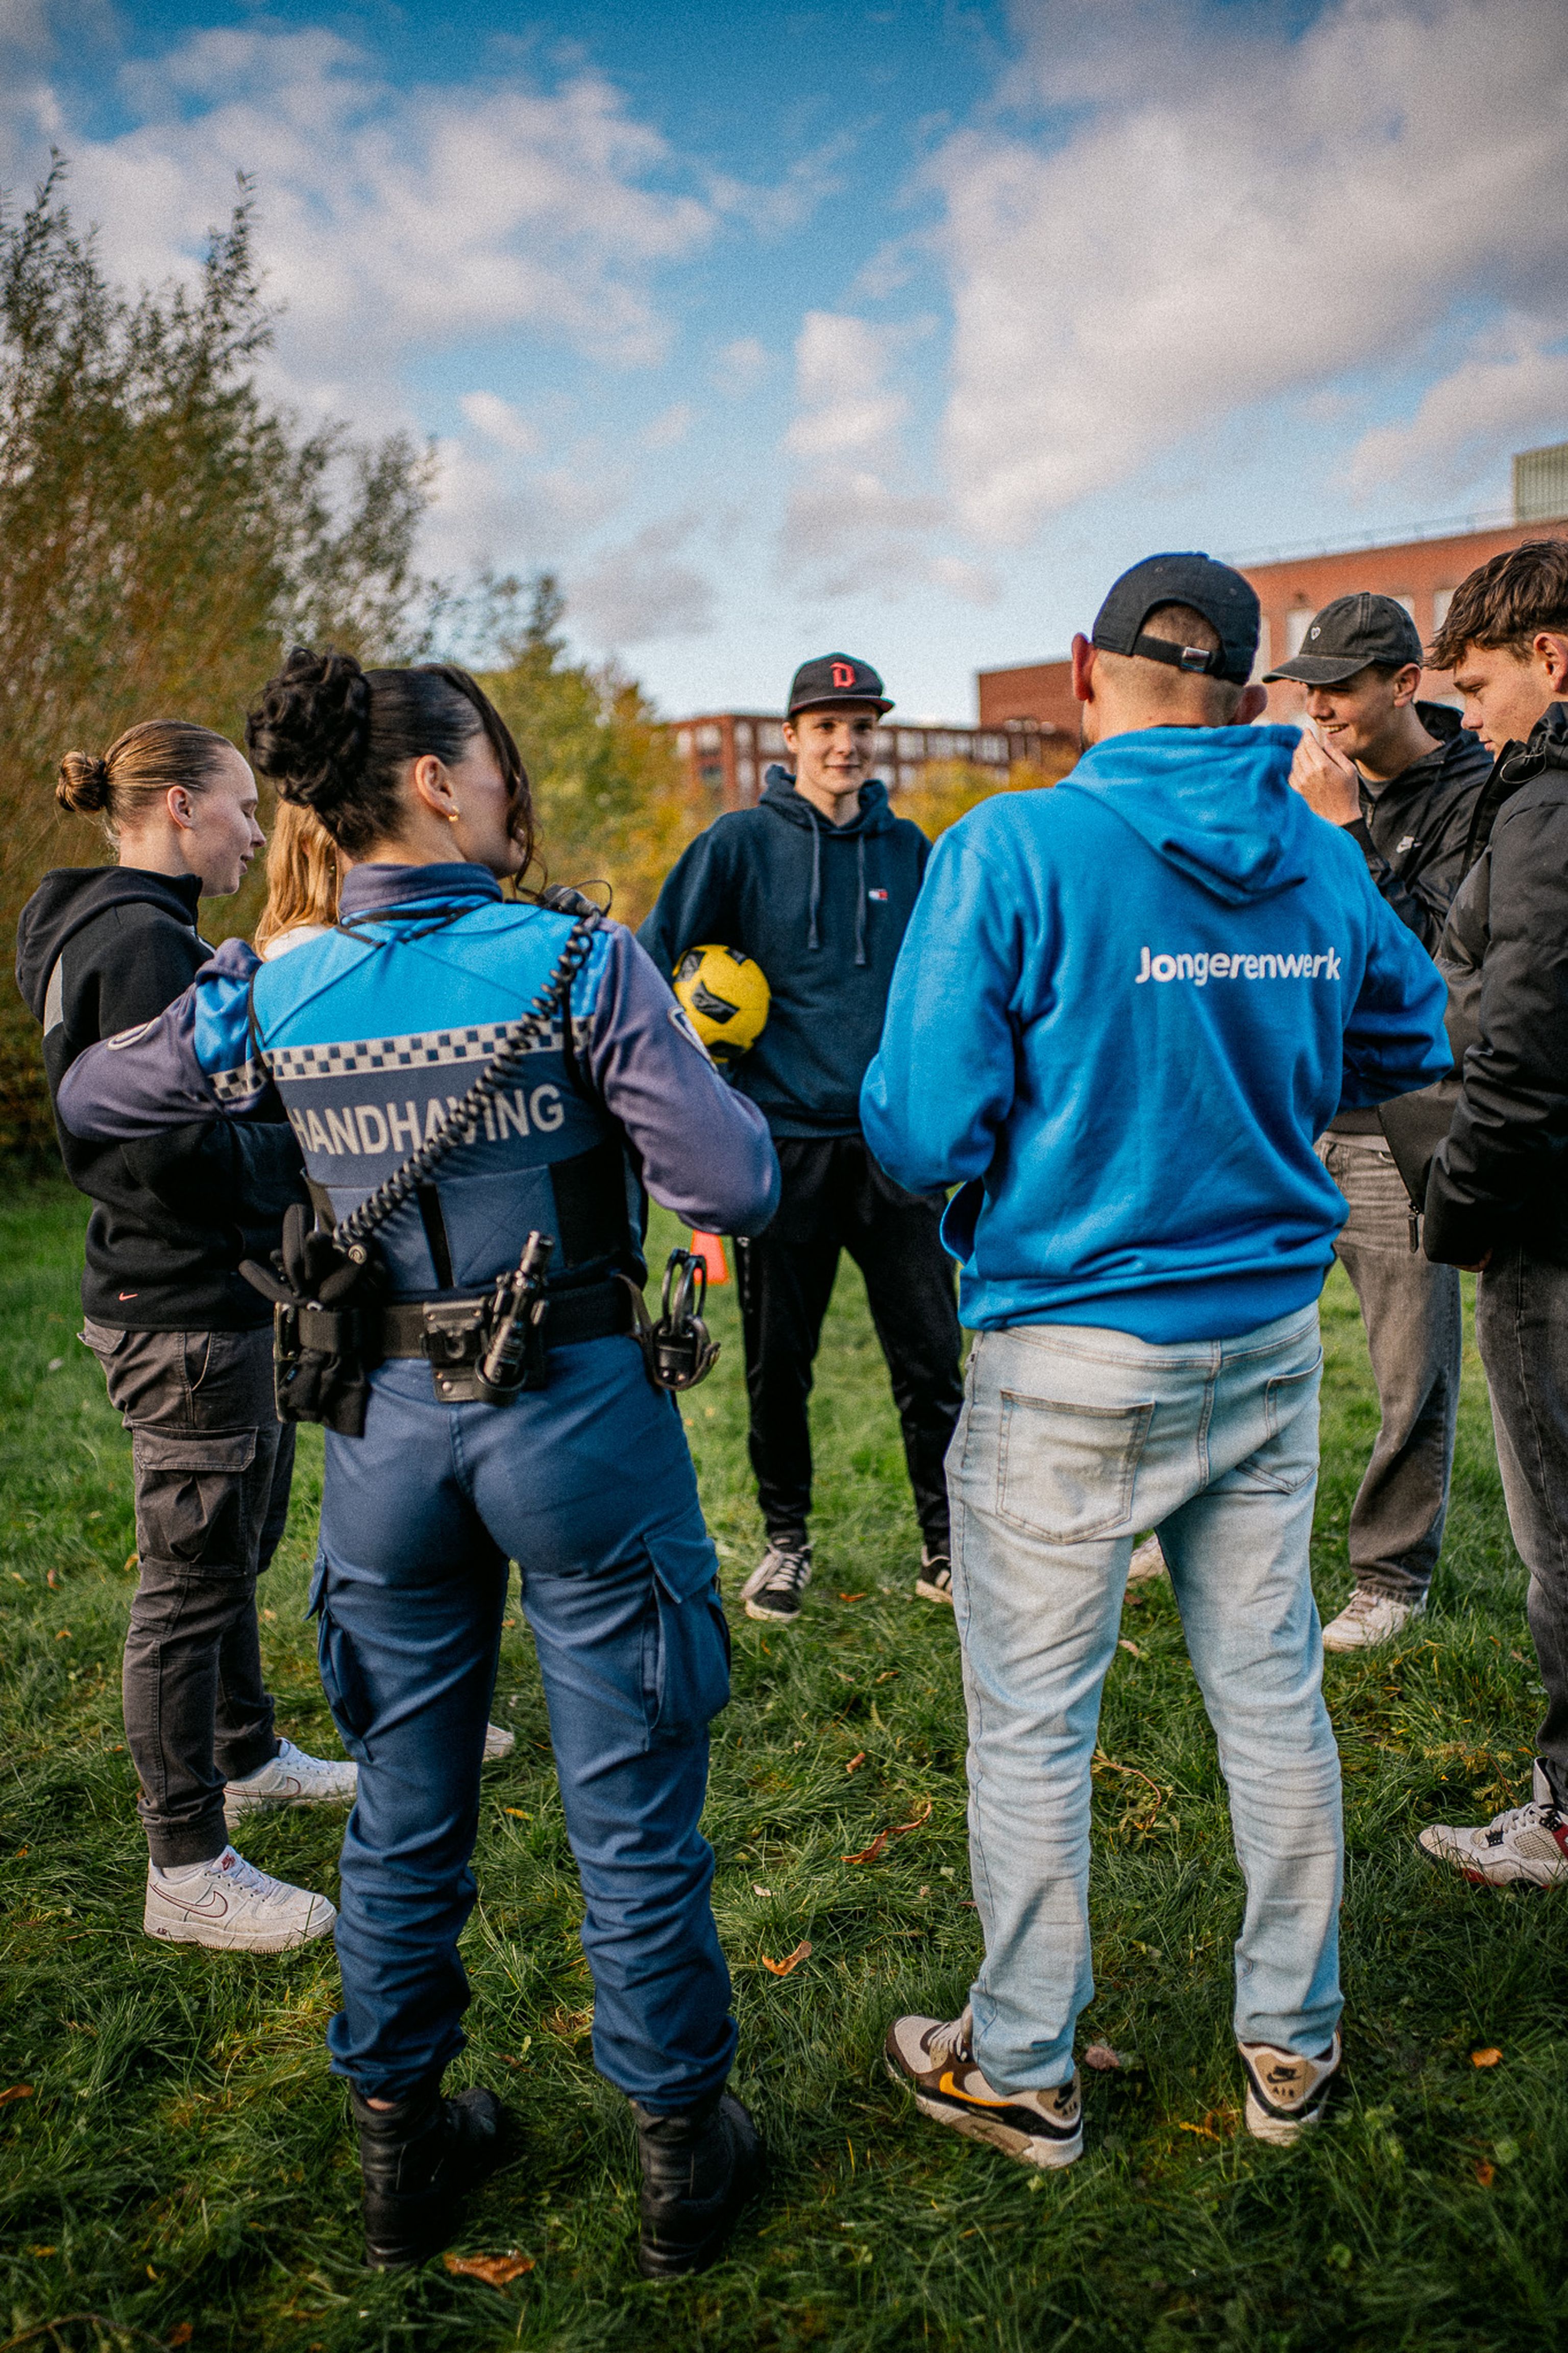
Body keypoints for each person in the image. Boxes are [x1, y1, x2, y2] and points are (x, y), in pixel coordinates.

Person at [58, 649, 780, 2275]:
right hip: (582, 1415)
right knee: (631, 1801)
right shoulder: (582, 961)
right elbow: (733, 1185)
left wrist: (254, 1070)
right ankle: (681, 2155)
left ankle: (400, 2149)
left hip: (385, 1438)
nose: (514, 794)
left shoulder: (275, 980)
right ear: (444, 787)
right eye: (500, 767)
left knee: (401, 1796)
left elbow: (101, 1095)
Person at [862, 554, 1449, 2166]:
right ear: (1256, 695)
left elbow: (916, 1130)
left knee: (1038, 1721)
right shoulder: (1316, 856)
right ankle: (1294, 2044)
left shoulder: (1010, 847)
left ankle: (1030, 2063)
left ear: (1081, 666)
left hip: (1072, 1351)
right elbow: (1413, 1041)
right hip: (1262, 1344)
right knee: (1271, 1694)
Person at [14, 721, 355, 1954]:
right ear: (175, 807)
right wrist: (311, 1150)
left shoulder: (107, 927)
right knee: (188, 1582)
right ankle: (186, 1862)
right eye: (242, 808)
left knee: (233, 1546)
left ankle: (248, 1752)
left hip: (201, 1297)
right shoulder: (142, 944)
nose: (258, 832)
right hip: (179, 1311)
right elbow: (158, 1153)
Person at [640, 654, 964, 1624]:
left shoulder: (914, 854)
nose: (845, 741)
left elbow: (956, 982)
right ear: (791, 738)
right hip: (781, 1149)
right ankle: (787, 1543)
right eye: (825, 724)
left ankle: (948, 1545)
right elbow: (657, 966)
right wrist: (707, 1085)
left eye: (861, 723)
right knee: (780, 1363)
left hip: (895, 1147)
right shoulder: (739, 842)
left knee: (932, 1358)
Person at [255, 799, 516, 1765]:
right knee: (372, 1526)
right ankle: (385, 1706)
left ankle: (430, 1695)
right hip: (356, 1268)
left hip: (396, 1257)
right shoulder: (302, 967)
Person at [1263, 594, 1491, 1651]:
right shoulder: (1295, 783)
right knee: (1236, 1333)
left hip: (1397, 1120)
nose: (1320, 708)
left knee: (1412, 1370)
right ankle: (1196, 1531)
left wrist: (1349, 832)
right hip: (1285, 1106)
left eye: (1340, 687)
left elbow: (1440, 970)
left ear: (1405, 684)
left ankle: (1390, 1577)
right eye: (1307, 688)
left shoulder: (1480, 792)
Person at [1405, 540, 1568, 1890]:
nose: (1470, 710)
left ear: (1550, 658)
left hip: (1549, 1221)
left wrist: (1456, 1205)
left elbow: (1523, 1046)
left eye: (1479, 680)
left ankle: (1565, 1811)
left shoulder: (1548, 799)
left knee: (1558, 1523)